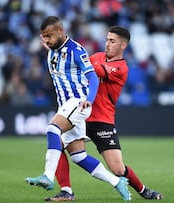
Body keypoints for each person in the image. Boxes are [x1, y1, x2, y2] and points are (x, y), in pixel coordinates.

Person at [45, 26, 163, 201]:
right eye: (107, 39)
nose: (107, 44)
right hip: (80, 114)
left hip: (102, 119)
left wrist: (68, 53)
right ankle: (66, 191)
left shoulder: (121, 67)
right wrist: (59, 52)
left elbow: (93, 69)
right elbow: (75, 67)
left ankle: (144, 190)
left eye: (112, 41)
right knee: (58, 143)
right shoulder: (97, 56)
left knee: (118, 169)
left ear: (123, 45)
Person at [24, 16, 131, 201]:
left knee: (52, 129)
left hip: (78, 102)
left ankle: (48, 177)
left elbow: (93, 77)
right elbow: (56, 54)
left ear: (59, 31)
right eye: (44, 37)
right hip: (66, 105)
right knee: (78, 156)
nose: (46, 40)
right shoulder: (53, 50)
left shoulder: (76, 50)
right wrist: (50, 46)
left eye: (49, 36)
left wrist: (89, 100)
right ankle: (117, 182)